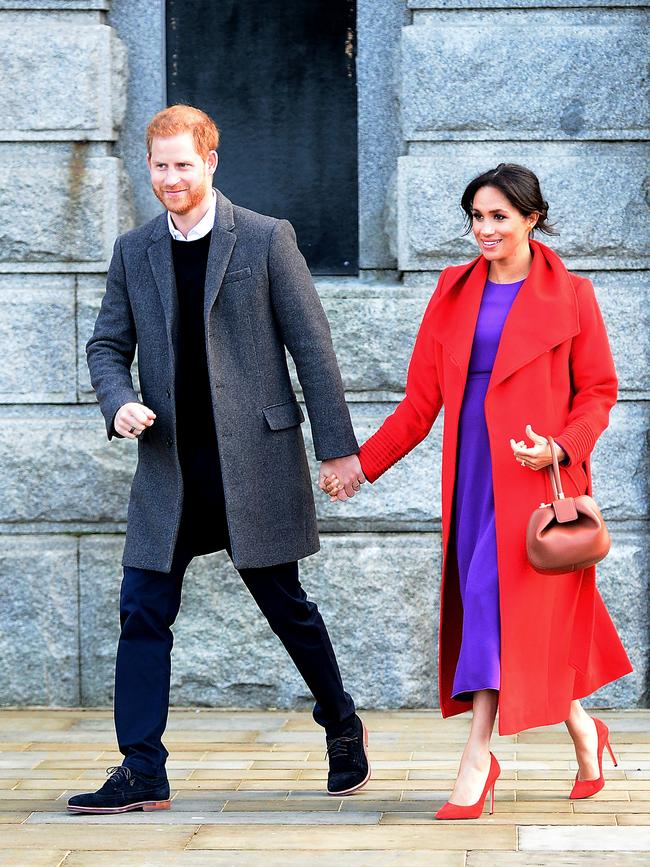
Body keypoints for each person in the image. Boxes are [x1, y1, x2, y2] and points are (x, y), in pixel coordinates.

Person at [68, 104, 369, 814]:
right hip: (170, 467)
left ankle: (342, 723)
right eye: (160, 165)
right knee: (142, 608)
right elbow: (107, 346)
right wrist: (117, 404)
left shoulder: (266, 240)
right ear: (148, 168)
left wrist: (338, 449)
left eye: (184, 164)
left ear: (211, 162)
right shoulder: (133, 249)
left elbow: (313, 348)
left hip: (254, 463)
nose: (172, 177)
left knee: (285, 606)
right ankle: (142, 768)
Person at [323, 164, 632, 819]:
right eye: (476, 217)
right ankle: (585, 731)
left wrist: (560, 446)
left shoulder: (572, 295)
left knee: (494, 603)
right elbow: (421, 401)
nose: (484, 229)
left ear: (531, 218)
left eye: (499, 216)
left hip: (538, 480)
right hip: (473, 479)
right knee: (510, 620)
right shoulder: (452, 290)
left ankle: (476, 755)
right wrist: (363, 464)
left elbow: (599, 392)